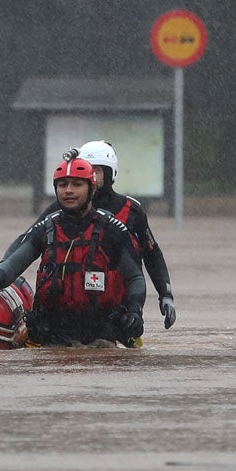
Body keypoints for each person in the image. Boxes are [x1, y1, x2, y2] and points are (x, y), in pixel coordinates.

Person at [0, 155, 145, 347]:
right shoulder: (46, 228)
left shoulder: (112, 230)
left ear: (92, 189)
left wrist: (135, 311)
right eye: (62, 185)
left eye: (77, 184)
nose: (68, 190)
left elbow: (135, 278)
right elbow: (13, 264)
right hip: (52, 333)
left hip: (100, 334)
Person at [75, 140, 177, 329]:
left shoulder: (132, 211)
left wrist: (166, 295)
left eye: (96, 171)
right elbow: (28, 244)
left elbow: (152, 254)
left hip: (122, 311)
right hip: (73, 311)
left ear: (110, 173)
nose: (91, 177)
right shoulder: (64, 209)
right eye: (86, 170)